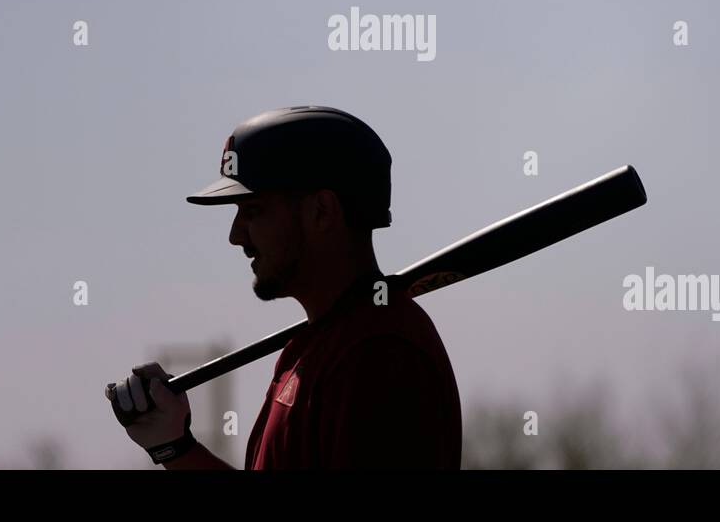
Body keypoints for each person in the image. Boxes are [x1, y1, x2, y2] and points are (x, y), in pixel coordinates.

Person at [107, 106, 462, 469]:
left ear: (322, 211)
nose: (235, 235)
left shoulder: (379, 353)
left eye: (254, 210)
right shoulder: (310, 349)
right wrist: (174, 445)